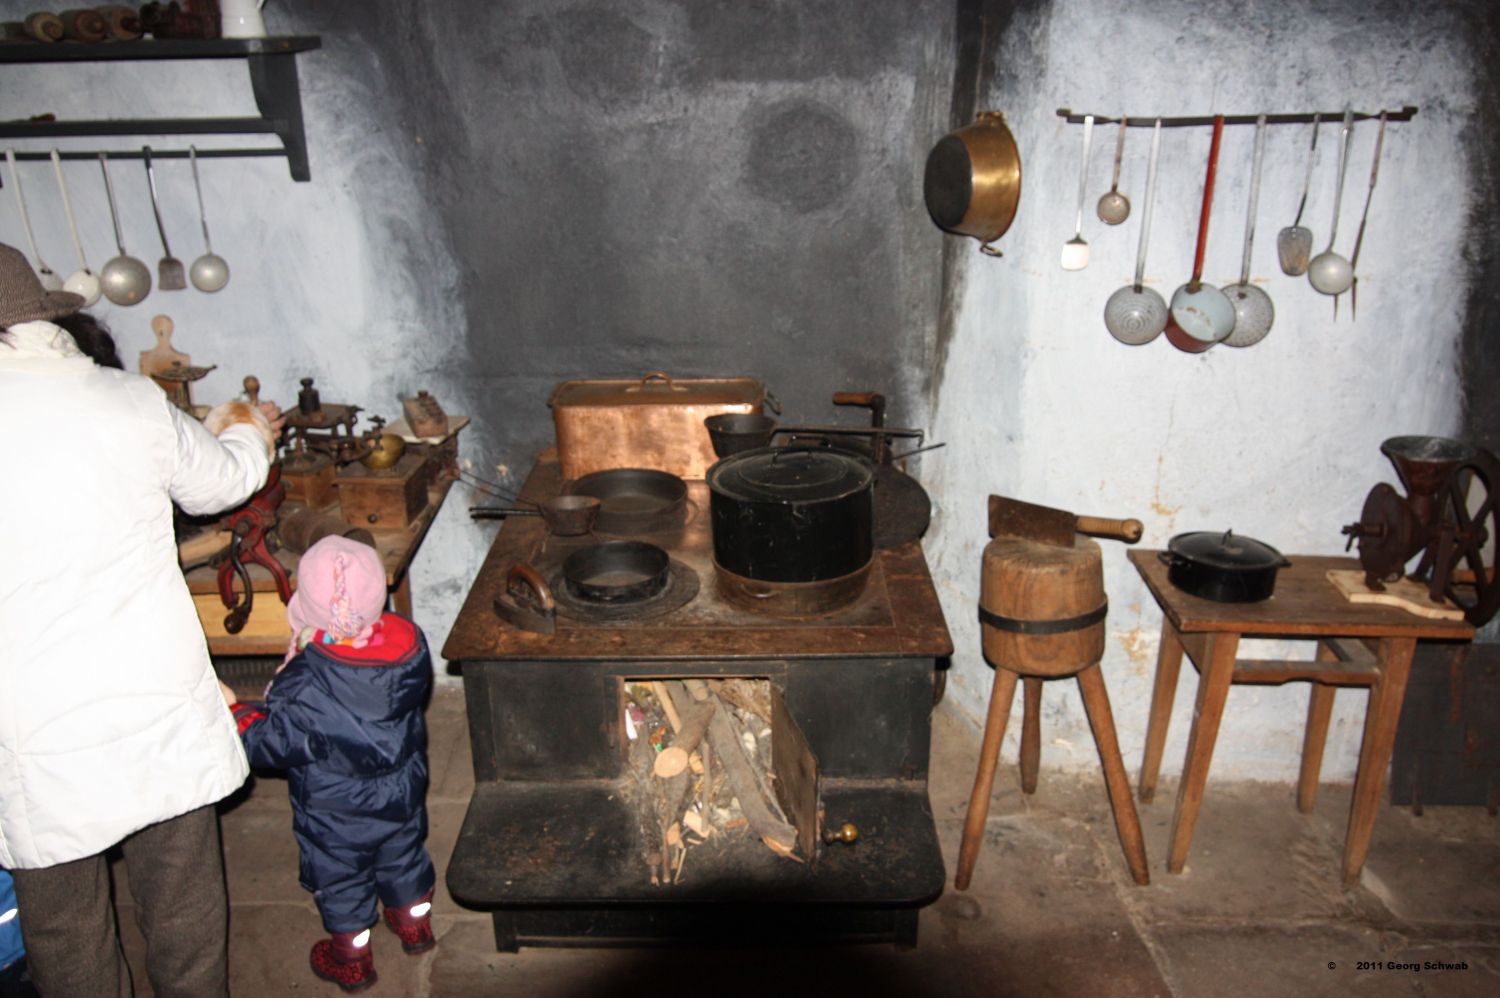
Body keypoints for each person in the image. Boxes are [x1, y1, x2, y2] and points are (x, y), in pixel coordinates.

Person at [0, 241, 283, 998]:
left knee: (66, 932)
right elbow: (226, 480)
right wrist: (249, 426)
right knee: (184, 905)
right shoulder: (125, 400)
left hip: (36, 725)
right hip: (153, 699)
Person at [228, 535, 437, 993]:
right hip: (401, 794)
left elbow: (270, 744)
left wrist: (238, 715)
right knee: (402, 856)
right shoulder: (407, 650)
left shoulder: (306, 684)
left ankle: (352, 958)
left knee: (341, 878)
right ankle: (414, 924)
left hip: (334, 813)